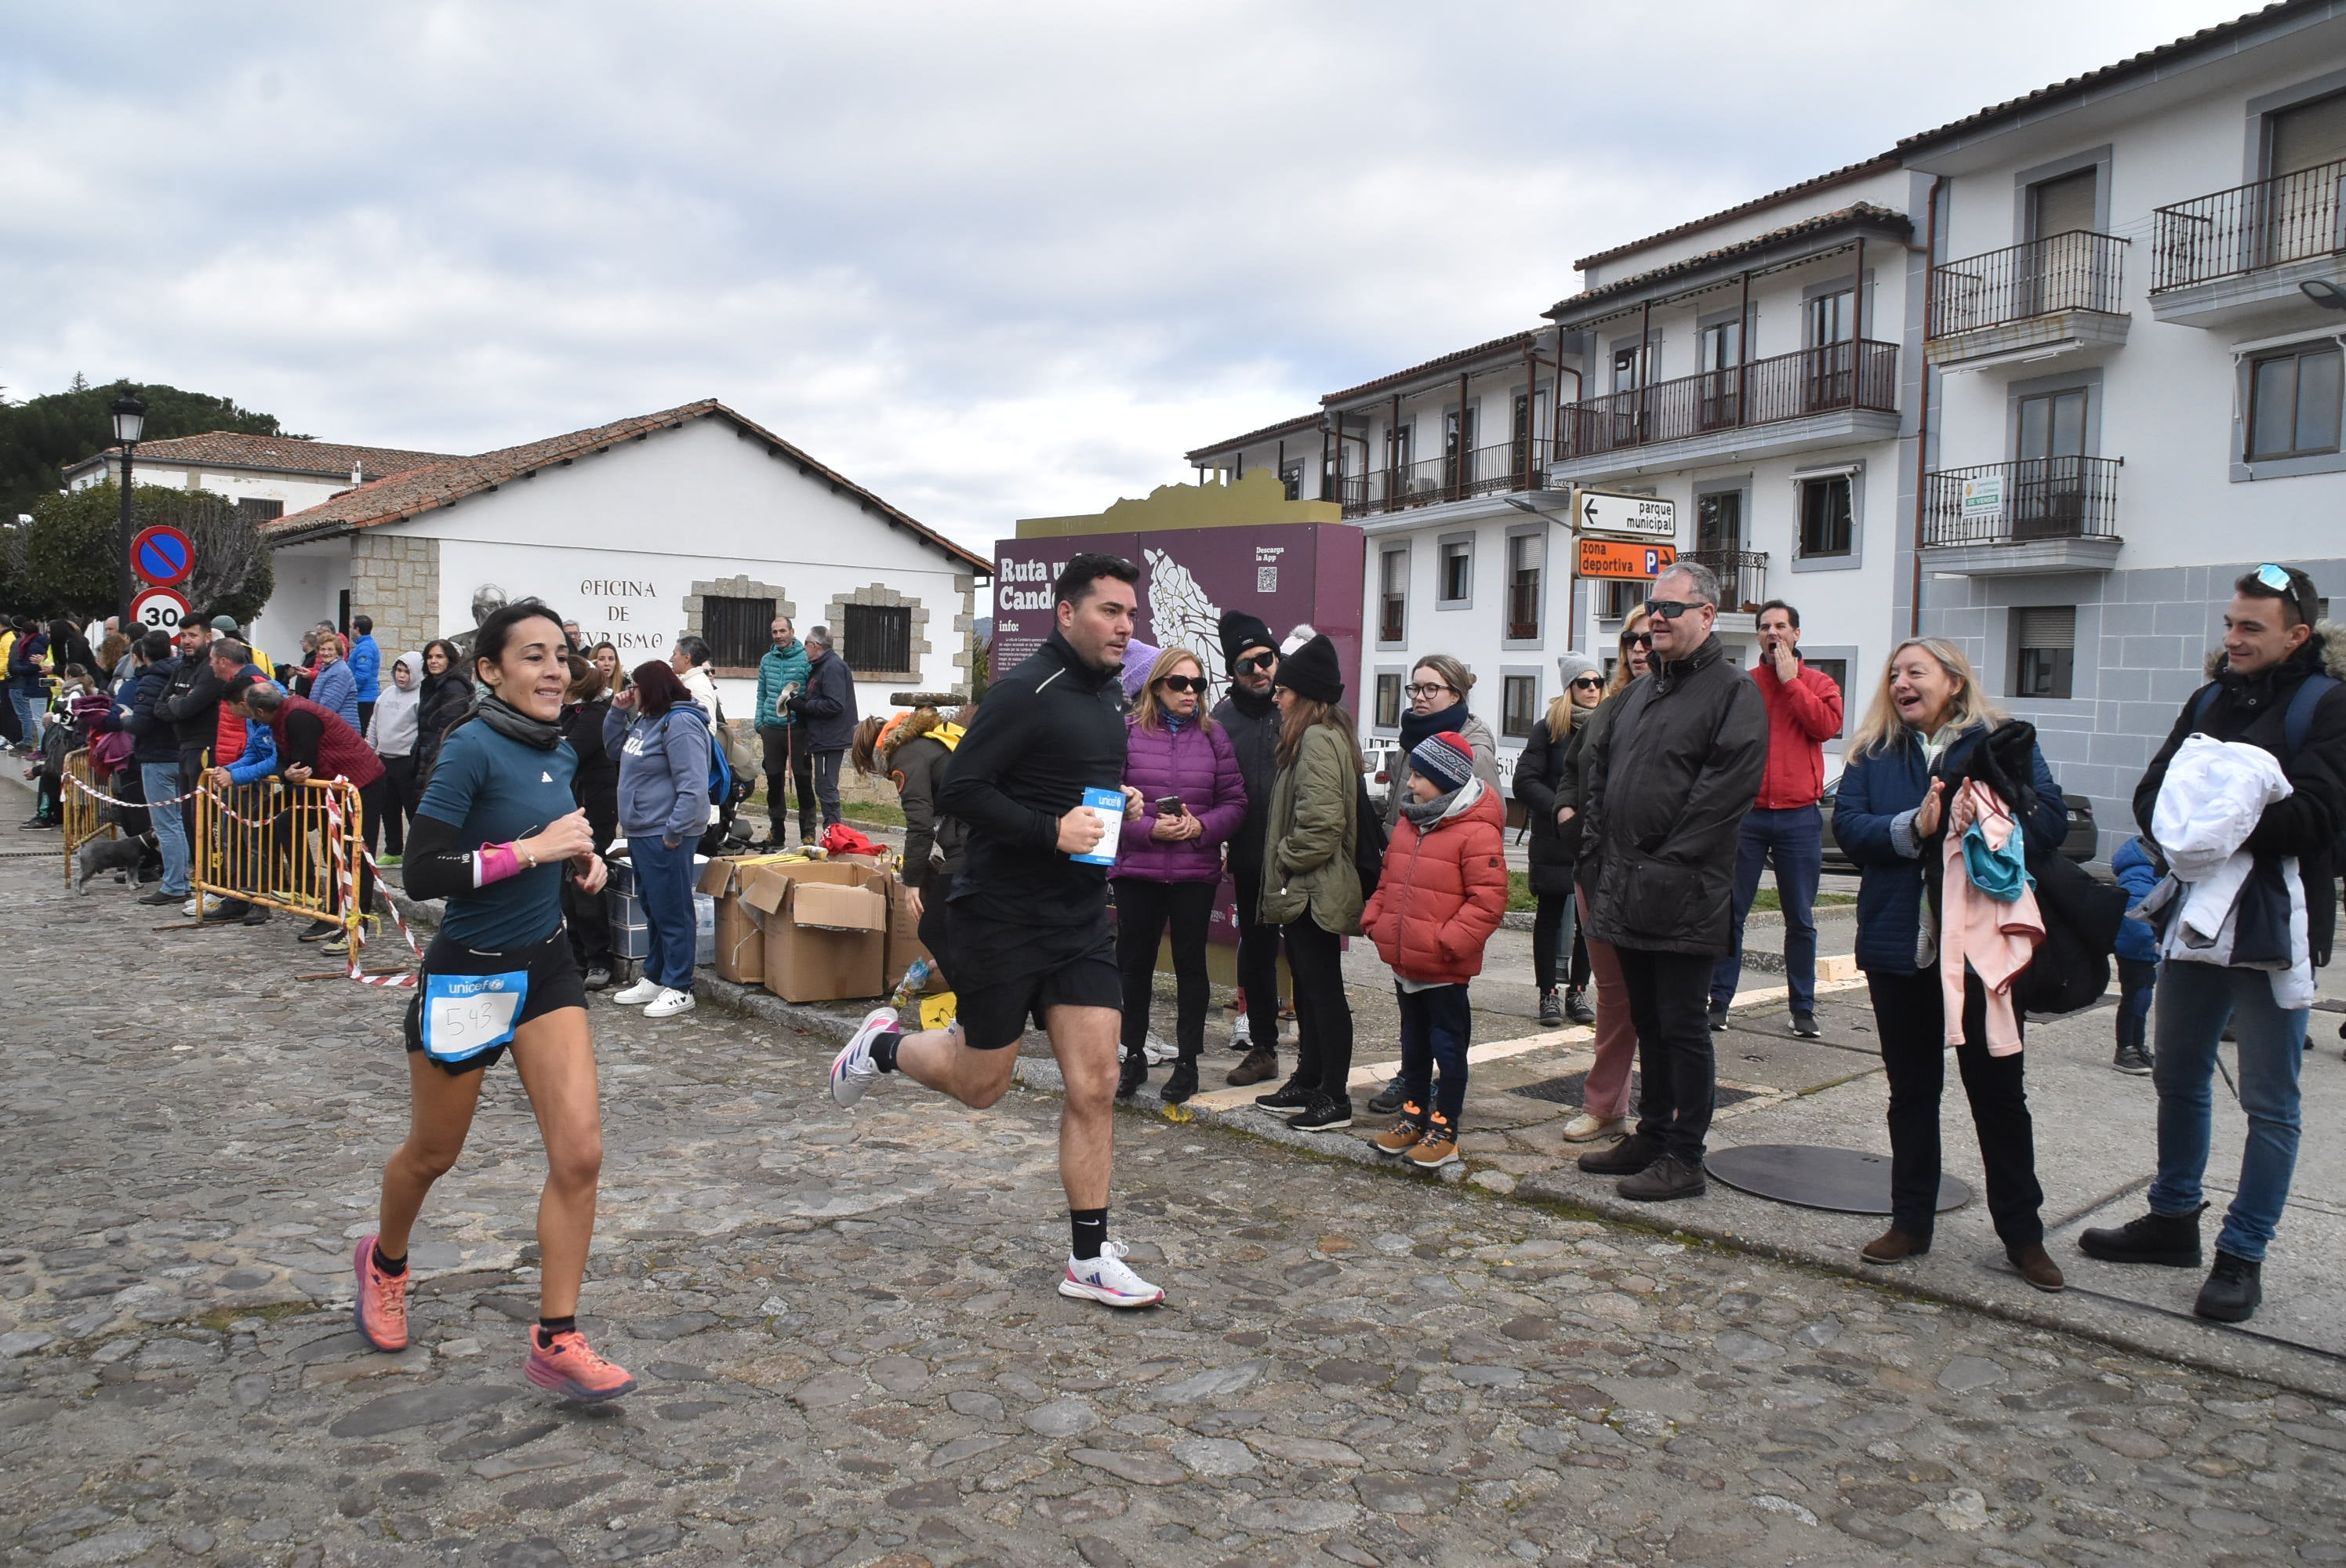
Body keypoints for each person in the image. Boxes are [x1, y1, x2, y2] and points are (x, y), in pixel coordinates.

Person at [826, 554, 1161, 1310]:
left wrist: (1119, 805)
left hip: (1077, 918)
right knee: (983, 1087)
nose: (1124, 626)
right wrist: (1051, 831)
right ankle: (882, 1047)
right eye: (1110, 611)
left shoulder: (1108, 698)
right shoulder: (1022, 690)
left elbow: (1068, 790)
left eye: (1131, 615)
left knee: (1097, 1082)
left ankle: (1088, 1258)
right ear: (1066, 613)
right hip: (1002, 916)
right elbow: (967, 792)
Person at [350, 597, 634, 1402]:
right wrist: (529, 850)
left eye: (560, 655)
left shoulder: (556, 750)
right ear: (491, 670)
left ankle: (557, 1336)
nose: (553, 670)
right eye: (534, 656)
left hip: (545, 968)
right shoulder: (471, 745)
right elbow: (424, 869)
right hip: (470, 971)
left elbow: (543, 835)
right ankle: (386, 1260)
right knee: (433, 1153)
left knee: (580, 1152)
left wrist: (574, 858)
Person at [2082, 564, 2344, 1324]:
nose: (2232, 638)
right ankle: (2171, 1220)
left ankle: (2242, 1253)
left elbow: (2320, 815)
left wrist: (2210, 822)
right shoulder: (2208, 698)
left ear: (2296, 633)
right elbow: (2151, 792)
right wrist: (2199, 820)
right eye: (2229, 623)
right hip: (2194, 919)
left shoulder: (2325, 706)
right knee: (2178, 1074)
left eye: (2250, 627)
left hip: (2272, 925)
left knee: (2270, 1101)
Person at [1832, 637, 2069, 1292]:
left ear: (1954, 684)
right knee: (1911, 1092)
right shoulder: (1873, 752)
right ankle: (1911, 1221)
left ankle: (2023, 1236)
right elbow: (1849, 828)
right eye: (1895, 674)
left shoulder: (2004, 742)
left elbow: (2049, 824)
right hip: (1899, 948)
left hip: (1983, 955)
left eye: (1917, 672)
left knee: (1998, 1097)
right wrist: (1916, 824)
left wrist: (1991, 807)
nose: (1902, 682)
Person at [1575, 563, 1768, 1203]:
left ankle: (1685, 1156)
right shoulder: (1639, 691)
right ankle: (1651, 1134)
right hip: (1624, 884)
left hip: (1682, 892)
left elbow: (1722, 796)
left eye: (1672, 609)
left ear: (1707, 617)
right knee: (1649, 1022)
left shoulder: (1732, 692)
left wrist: (1662, 863)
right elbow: (1600, 773)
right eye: (1652, 605)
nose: (1656, 617)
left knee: (1683, 1027)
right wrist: (1601, 851)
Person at [1364, 730, 1509, 1170]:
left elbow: (1488, 901)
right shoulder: (1411, 822)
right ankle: (1413, 1116)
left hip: (1444, 967)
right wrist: (1375, 916)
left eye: (1420, 776)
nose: (1409, 783)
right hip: (1407, 961)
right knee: (1412, 1043)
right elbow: (1389, 879)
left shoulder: (1477, 831)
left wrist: (1450, 943)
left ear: (1445, 779)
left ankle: (1445, 1129)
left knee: (1448, 1046)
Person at [1113, 646, 1246, 1105]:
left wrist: (1200, 827)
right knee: (1134, 967)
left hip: (1194, 871)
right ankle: (1132, 1054)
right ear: (1156, 686)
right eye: (1179, 683)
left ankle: (1187, 1061)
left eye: (1198, 684)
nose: (1190, 691)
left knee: (1192, 967)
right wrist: (1149, 828)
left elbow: (1236, 804)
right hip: (1137, 870)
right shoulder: (1126, 734)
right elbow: (1106, 803)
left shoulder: (1215, 737)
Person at [1709, 600, 1843, 1037]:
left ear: (1796, 634)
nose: (1773, 634)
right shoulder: (1745, 684)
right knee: (1733, 914)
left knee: (1800, 918)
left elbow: (1824, 727)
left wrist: (1791, 683)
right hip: (1749, 816)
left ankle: (1803, 1007)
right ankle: (1719, 1000)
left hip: (1800, 818)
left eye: (1781, 626)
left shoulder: (1820, 683)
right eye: (1765, 627)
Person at [1251, 633, 1366, 1134]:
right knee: (1312, 988)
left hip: (1313, 891)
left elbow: (1321, 824)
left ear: (1305, 694)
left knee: (1322, 992)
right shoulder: (1320, 734)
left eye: (1284, 690)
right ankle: (1311, 1078)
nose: (1276, 696)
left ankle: (1333, 1097)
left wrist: (1283, 859)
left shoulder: (1317, 738)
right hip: (1309, 889)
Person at [1555, 611, 1655, 1142]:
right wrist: (1567, 817)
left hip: (1656, 878)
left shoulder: (1684, 705)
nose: (1638, 647)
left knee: (1663, 1007)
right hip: (1595, 871)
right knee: (1614, 998)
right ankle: (1606, 1105)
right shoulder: (1606, 708)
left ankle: (1669, 1119)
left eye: (1647, 638)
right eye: (1629, 639)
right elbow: (1571, 773)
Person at [210, 676, 390, 955]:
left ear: (259, 711)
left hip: (360, 785)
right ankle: (330, 911)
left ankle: (355, 926)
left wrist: (287, 775)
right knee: (284, 824)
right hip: (332, 787)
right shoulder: (278, 717)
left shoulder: (298, 717)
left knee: (352, 855)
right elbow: (285, 759)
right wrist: (286, 774)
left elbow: (302, 764)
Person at [604, 659, 710, 1020]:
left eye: (636, 686)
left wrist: (672, 831)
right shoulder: (645, 720)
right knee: (652, 904)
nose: (631, 692)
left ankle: (680, 985)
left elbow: (693, 785)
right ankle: (656, 974)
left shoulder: (680, 724)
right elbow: (613, 751)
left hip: (664, 833)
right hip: (640, 830)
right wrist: (617, 714)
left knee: (672, 908)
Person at [1210, 612, 1287, 1087]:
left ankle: (1319, 1055)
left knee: (1307, 956)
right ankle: (1263, 1048)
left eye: (1266, 659)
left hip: (1302, 859)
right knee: (1255, 954)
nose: (1259, 671)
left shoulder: (1301, 707)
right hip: (1250, 858)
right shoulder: (1220, 720)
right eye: (1246, 665)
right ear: (1231, 673)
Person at [848, 700, 970, 985]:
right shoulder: (923, 742)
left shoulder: (904, 759)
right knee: (963, 922)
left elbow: (920, 825)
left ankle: (974, 1003)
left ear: (874, 757)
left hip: (973, 844)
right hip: (981, 836)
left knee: (933, 928)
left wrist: (911, 882)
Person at [1516, 652, 1603, 1027]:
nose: (1593, 689)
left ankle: (1579, 990)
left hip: (1596, 838)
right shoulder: (1549, 728)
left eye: (1598, 682)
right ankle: (1548, 993)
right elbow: (1524, 781)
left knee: (1590, 921)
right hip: (1555, 838)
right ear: (1570, 688)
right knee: (1550, 916)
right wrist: (1561, 810)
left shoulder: (1608, 726)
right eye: (1584, 683)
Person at [1382, 653, 1499, 829]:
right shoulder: (1407, 746)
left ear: (1455, 696)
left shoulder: (1474, 754)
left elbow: (1489, 827)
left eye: (1431, 688)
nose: (1419, 697)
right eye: (1415, 688)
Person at [561, 658, 619, 992]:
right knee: (564, 890)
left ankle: (599, 959)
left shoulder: (596, 716)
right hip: (566, 810)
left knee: (584, 886)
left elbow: (566, 754)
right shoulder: (568, 714)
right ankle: (576, 954)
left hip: (593, 811)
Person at [118, 630, 189, 908]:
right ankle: (180, 880)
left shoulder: (149, 682)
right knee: (178, 823)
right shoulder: (181, 675)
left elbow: (141, 723)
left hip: (157, 757)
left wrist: (126, 718)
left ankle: (174, 884)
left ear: (142, 656)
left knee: (166, 824)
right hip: (179, 755)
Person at [789, 626, 856, 836]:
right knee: (823, 786)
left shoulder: (833, 667)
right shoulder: (820, 666)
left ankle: (834, 835)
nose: (804, 648)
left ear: (815, 646)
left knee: (827, 787)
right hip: (822, 737)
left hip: (831, 738)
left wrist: (802, 706)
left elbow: (835, 704)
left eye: (806, 644)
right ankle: (832, 833)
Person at [756, 615, 813, 848]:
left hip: (798, 729)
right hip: (771, 729)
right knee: (774, 782)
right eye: (774, 632)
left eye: (782, 631)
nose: (778, 636)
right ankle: (776, 831)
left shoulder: (805, 659)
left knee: (802, 781)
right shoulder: (766, 660)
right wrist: (759, 722)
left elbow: (812, 693)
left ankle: (808, 832)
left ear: (792, 631)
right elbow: (761, 693)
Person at [2109, 836, 2162, 1077]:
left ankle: (2139, 1045)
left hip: (2145, 947)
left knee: (2143, 998)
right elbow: (2135, 911)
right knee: (2134, 998)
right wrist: (2152, 942)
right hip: (2136, 948)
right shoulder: (2140, 872)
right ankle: (2125, 1048)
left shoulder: (2151, 869)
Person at [367, 652, 424, 866]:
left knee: (412, 808)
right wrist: (369, 750)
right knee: (388, 807)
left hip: (407, 761)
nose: (401, 676)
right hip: (384, 759)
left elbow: (422, 730)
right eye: (399, 670)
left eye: (407, 671)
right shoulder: (387, 694)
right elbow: (374, 723)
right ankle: (393, 850)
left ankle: (417, 852)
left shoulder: (421, 697)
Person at [414, 639, 474, 787]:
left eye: (439, 657)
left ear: (449, 660)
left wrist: (430, 755)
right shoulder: (429, 684)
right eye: (430, 657)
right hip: (424, 752)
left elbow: (449, 727)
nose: (433, 661)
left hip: (439, 756)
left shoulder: (454, 687)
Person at [309, 632, 361, 731]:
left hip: (341, 730)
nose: (326, 653)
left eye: (330, 649)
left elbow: (328, 707)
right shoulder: (326, 669)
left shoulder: (339, 671)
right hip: (333, 728)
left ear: (338, 652)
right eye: (322, 649)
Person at [348, 615, 382, 733]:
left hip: (364, 698)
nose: (350, 630)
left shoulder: (365, 647)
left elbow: (362, 676)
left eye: (351, 627)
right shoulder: (363, 645)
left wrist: (350, 690)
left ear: (357, 629)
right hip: (364, 697)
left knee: (361, 732)